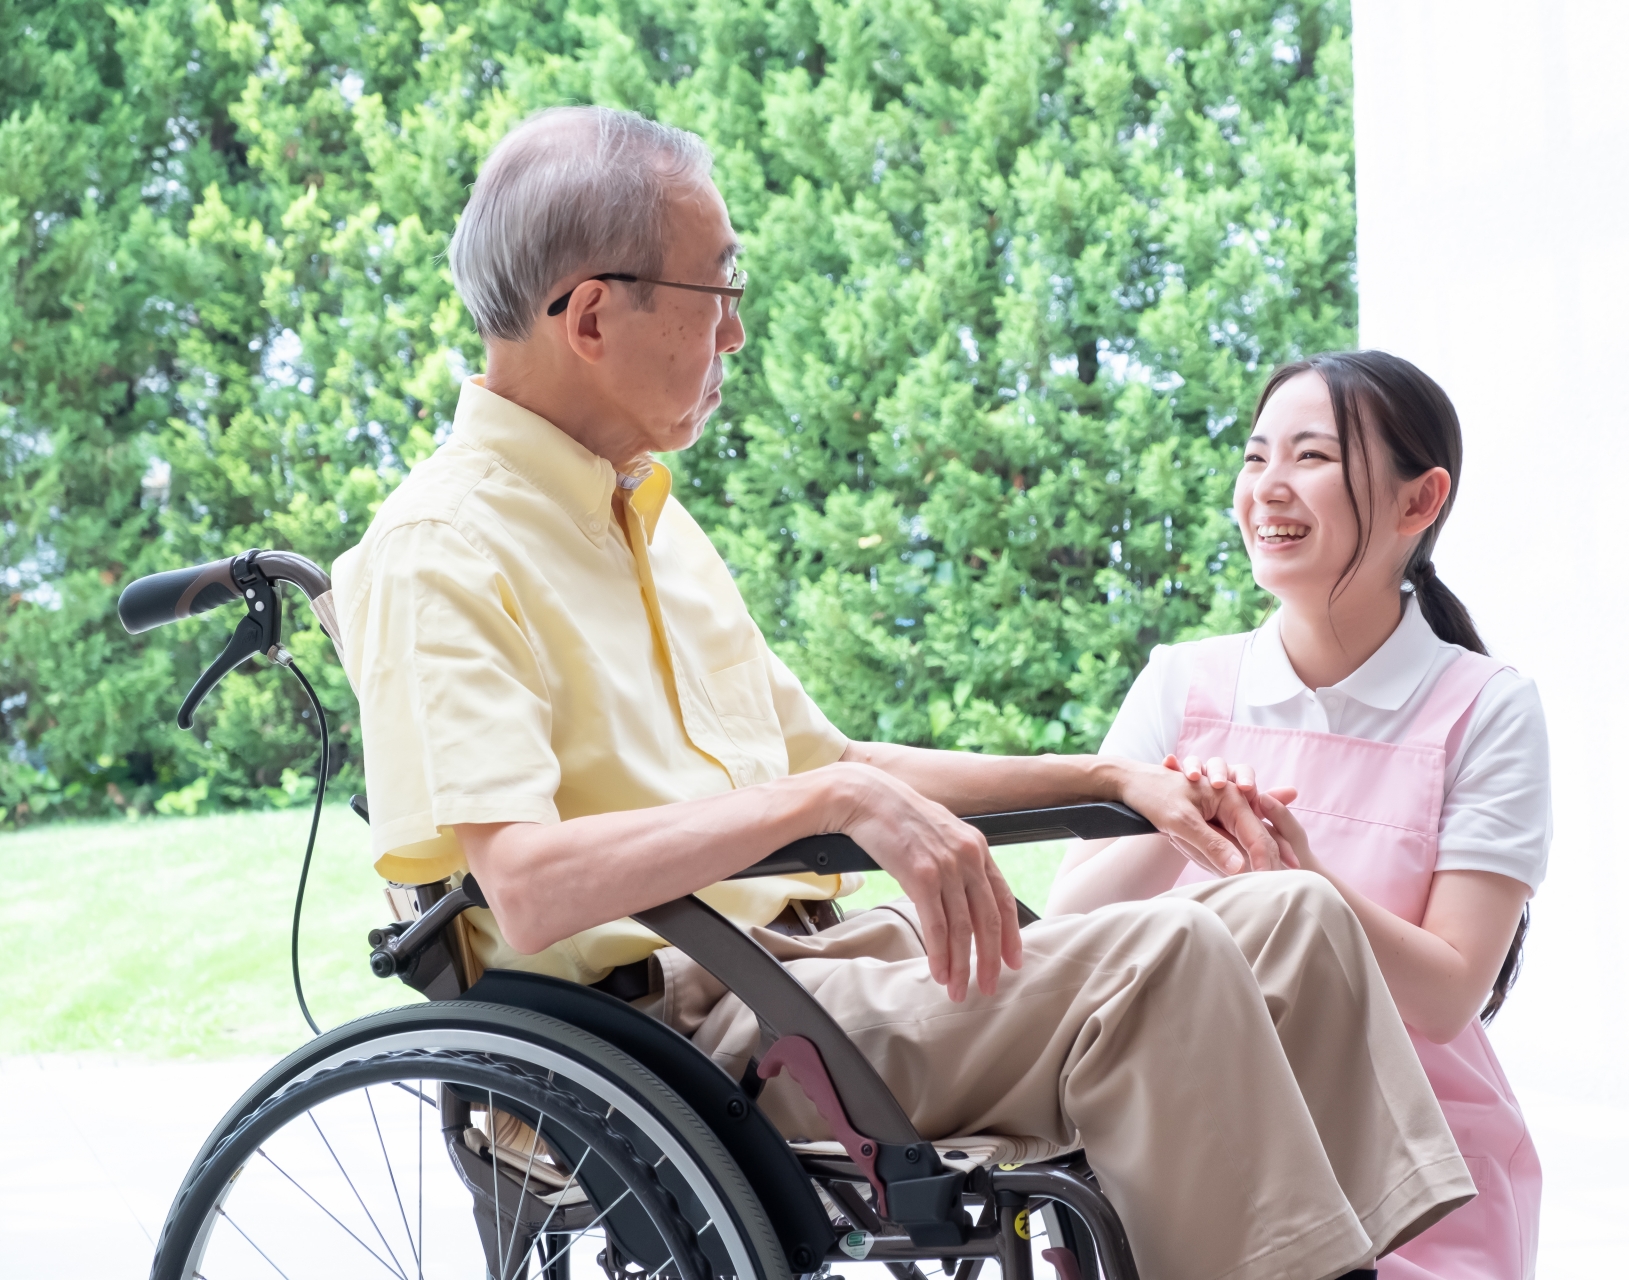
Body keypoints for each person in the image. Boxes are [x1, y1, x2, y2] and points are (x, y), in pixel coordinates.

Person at [331, 106, 1477, 1280]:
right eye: (718, 288)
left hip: (821, 974)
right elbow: (526, 885)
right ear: (589, 316)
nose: (737, 331)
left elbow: (833, 759)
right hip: (682, 1033)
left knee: (1295, 919)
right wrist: (810, 803)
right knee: (1169, 962)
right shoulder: (441, 548)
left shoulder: (653, 523)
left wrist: (1109, 776)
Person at [1048, 350, 1550, 1279]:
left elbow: (1448, 997)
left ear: (1418, 501)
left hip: (1412, 1173)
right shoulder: (1182, 684)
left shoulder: (1485, 708)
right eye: (1254, 457)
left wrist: (1306, 888)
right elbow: (1067, 930)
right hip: (1178, 1152)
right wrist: (1174, 821)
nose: (1267, 489)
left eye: (1311, 457)